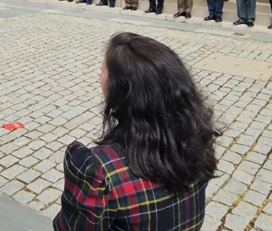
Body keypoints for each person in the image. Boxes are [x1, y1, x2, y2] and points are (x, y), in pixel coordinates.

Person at [54, 33, 218, 230]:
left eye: (103, 70)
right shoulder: (196, 142)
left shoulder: (100, 171)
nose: (99, 76)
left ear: (121, 88)